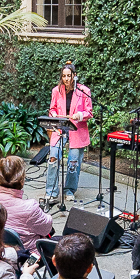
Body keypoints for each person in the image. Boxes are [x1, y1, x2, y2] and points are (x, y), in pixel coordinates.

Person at [44, 61, 92, 206]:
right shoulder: (56, 90)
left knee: (73, 162)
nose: (66, 79)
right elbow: (52, 109)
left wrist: (79, 115)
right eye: (64, 76)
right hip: (59, 129)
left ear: (74, 76)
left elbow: (89, 112)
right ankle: (51, 192)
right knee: (53, 157)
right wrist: (54, 116)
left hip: (76, 130)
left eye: (69, 76)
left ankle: (69, 190)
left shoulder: (84, 91)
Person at [0, 155, 53, 244]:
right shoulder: (30, 207)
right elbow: (46, 229)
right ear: (22, 180)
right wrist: (45, 215)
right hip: (25, 254)